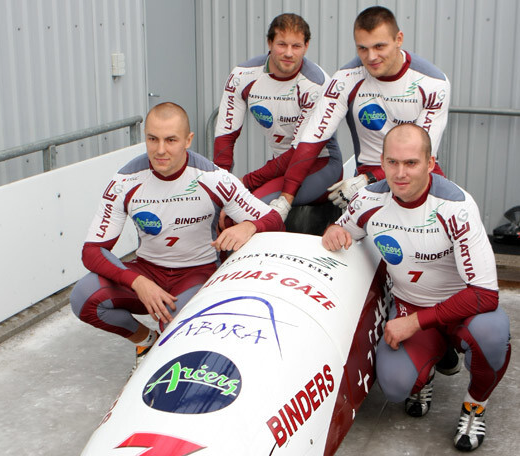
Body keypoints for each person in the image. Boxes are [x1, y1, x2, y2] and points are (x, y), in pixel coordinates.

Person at [322, 124, 510, 451]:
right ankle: (430, 369)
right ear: (380, 162)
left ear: (430, 162)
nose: (400, 173)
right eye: (392, 162)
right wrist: (332, 233)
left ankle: (474, 405)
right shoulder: (368, 198)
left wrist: (413, 323)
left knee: (492, 336)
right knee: (395, 386)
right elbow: (340, 230)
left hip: (465, 310)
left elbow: (485, 294)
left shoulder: (456, 206)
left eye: (411, 163)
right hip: (412, 304)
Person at [71, 102, 284, 371]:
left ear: (188, 140)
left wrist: (248, 227)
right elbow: (92, 251)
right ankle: (146, 342)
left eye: (171, 140)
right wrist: (137, 281)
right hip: (148, 271)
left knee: (175, 325)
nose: (160, 150)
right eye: (153, 139)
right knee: (83, 297)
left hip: (197, 273)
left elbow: (274, 220)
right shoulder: (125, 180)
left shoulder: (213, 178)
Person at [263, 6, 450, 210]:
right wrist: (285, 199)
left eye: (379, 46)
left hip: (416, 175)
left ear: (399, 39)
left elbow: (421, 156)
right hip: (366, 181)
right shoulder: (346, 79)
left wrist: (367, 179)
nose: (371, 57)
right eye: (362, 48)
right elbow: (311, 141)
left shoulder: (434, 83)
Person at [214, 13, 342, 221]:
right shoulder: (243, 76)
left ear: (307, 46)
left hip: (319, 164)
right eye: (282, 44)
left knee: (242, 212)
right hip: (279, 166)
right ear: (270, 42)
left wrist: (247, 181)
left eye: (296, 46)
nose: (289, 53)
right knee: (222, 208)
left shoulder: (316, 84)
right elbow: (225, 138)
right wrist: (221, 186)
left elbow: (300, 153)